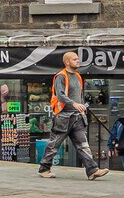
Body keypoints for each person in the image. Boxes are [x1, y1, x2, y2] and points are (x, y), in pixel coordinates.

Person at [38, 50, 106, 181]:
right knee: (54, 145)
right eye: (75, 59)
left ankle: (92, 171)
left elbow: (79, 95)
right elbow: (60, 95)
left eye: (77, 59)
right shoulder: (61, 76)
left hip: (77, 117)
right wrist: (74, 104)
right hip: (63, 117)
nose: (78, 61)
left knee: (83, 145)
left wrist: (81, 108)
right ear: (67, 62)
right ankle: (44, 169)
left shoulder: (78, 76)